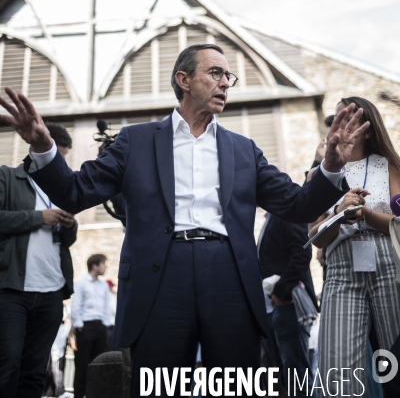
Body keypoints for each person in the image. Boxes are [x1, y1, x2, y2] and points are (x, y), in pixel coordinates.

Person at [0, 44, 369, 397]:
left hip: (229, 275)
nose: (225, 82)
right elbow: (75, 193)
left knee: (235, 384)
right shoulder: (135, 141)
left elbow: (297, 205)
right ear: (184, 80)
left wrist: (332, 166)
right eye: (215, 73)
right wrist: (42, 146)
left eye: (229, 77)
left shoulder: (244, 149)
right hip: (159, 276)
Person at [308, 96, 400, 396]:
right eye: (338, 118)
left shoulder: (389, 166)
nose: (342, 124)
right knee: (337, 372)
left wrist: (366, 214)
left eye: (351, 117)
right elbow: (315, 237)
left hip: (389, 261)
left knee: (396, 362)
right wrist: (338, 214)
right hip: (341, 268)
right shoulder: (319, 174)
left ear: (369, 130)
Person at [0, 123, 77, 398]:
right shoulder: (7, 177)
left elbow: (68, 241)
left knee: (35, 372)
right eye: (58, 157)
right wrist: (38, 218)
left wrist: (69, 224)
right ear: (38, 149)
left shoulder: (62, 190)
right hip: (11, 289)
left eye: (63, 159)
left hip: (51, 292)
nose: (60, 165)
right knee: (7, 364)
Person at [258, 213, 317, 397]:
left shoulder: (287, 213)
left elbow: (302, 252)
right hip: (274, 307)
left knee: (297, 378)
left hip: (289, 304)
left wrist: (281, 291)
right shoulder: (271, 217)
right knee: (288, 376)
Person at [71, 253, 109, 398]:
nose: (105, 266)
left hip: (100, 327)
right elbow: (76, 306)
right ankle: (79, 395)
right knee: (83, 365)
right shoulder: (81, 284)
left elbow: (105, 307)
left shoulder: (104, 285)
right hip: (86, 327)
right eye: (103, 263)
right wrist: (80, 326)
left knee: (99, 364)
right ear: (95, 265)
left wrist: (105, 324)